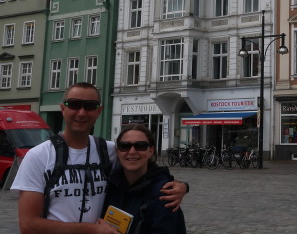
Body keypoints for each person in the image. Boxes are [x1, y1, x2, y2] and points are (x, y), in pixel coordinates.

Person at [12, 82, 187, 233]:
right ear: (63, 108)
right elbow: (28, 226)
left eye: (89, 106)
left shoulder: (109, 150)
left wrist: (181, 186)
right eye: (74, 104)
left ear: (99, 111)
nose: (81, 113)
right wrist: (91, 230)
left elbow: (147, 171)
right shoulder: (38, 156)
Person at [98, 124, 186, 234]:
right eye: (125, 146)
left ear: (151, 151)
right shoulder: (110, 186)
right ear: (117, 151)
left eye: (140, 146)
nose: (132, 151)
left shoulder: (164, 194)